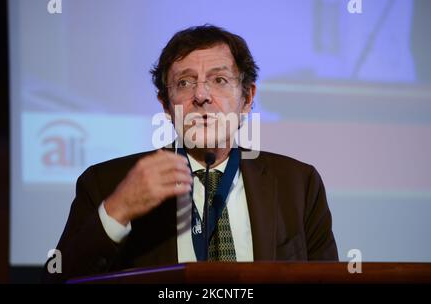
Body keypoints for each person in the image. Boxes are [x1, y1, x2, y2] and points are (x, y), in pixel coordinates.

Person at [42, 25, 338, 283]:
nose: (201, 95)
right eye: (184, 82)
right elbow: (57, 280)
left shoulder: (298, 184)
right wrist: (118, 210)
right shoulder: (105, 182)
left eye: (219, 80)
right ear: (166, 105)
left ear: (247, 98)